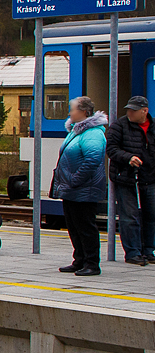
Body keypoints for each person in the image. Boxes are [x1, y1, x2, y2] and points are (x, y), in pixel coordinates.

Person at [53, 95, 108, 277]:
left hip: (84, 189)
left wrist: (74, 180)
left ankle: (92, 263)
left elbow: (93, 159)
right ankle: (80, 260)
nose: (69, 113)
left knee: (85, 226)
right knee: (74, 226)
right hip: (72, 188)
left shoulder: (93, 133)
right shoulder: (77, 131)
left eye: (72, 109)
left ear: (84, 111)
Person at [106, 94, 155, 265]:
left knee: (151, 215)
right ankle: (133, 252)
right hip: (126, 177)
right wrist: (128, 158)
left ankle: (149, 250)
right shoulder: (119, 126)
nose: (129, 113)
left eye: (133, 111)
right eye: (128, 110)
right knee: (129, 216)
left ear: (144, 111)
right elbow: (111, 149)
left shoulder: (153, 126)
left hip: (150, 177)